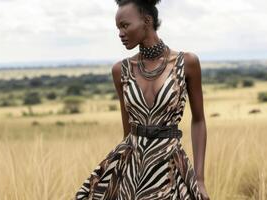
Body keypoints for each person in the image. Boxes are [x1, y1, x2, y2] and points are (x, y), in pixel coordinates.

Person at [74, 0, 210, 199]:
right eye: (118, 27)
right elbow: (127, 130)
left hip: (169, 167)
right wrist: (119, 175)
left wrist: (199, 179)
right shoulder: (120, 70)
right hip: (132, 169)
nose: (120, 33)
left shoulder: (187, 63)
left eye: (125, 25)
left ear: (147, 21)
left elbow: (199, 120)